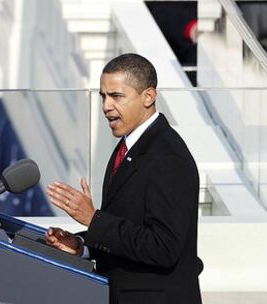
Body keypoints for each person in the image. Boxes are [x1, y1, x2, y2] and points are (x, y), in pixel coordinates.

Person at [46, 53, 202, 304]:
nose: (106, 106)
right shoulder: (126, 149)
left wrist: (94, 219)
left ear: (148, 96)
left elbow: (163, 248)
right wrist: (82, 245)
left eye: (116, 96)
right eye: (103, 97)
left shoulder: (168, 157)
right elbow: (126, 231)